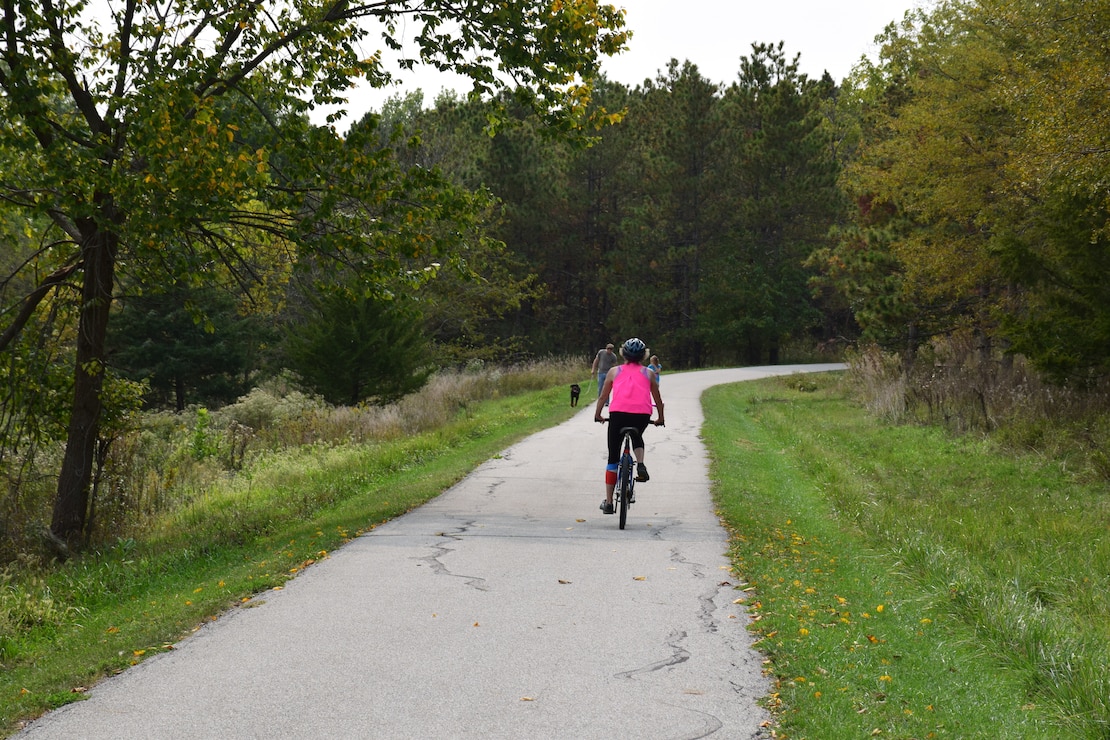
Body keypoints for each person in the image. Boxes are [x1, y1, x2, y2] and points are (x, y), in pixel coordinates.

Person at [594, 337, 664, 514]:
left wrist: (598, 414)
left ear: (623, 353)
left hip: (618, 415)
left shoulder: (613, 371)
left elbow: (603, 397)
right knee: (637, 435)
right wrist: (660, 418)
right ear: (644, 356)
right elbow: (658, 399)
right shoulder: (649, 374)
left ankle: (609, 503)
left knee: (613, 458)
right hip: (641, 415)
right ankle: (640, 463)